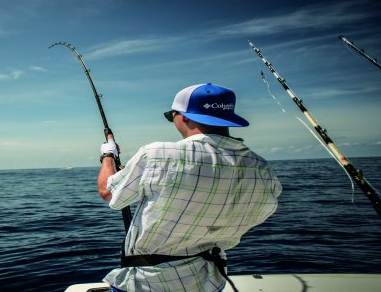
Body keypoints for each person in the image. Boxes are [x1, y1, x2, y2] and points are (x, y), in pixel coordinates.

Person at [97, 83, 282, 292]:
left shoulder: (157, 154)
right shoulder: (262, 168)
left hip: (147, 284)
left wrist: (108, 155)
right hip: (210, 281)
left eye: (171, 115)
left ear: (183, 116)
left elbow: (108, 192)